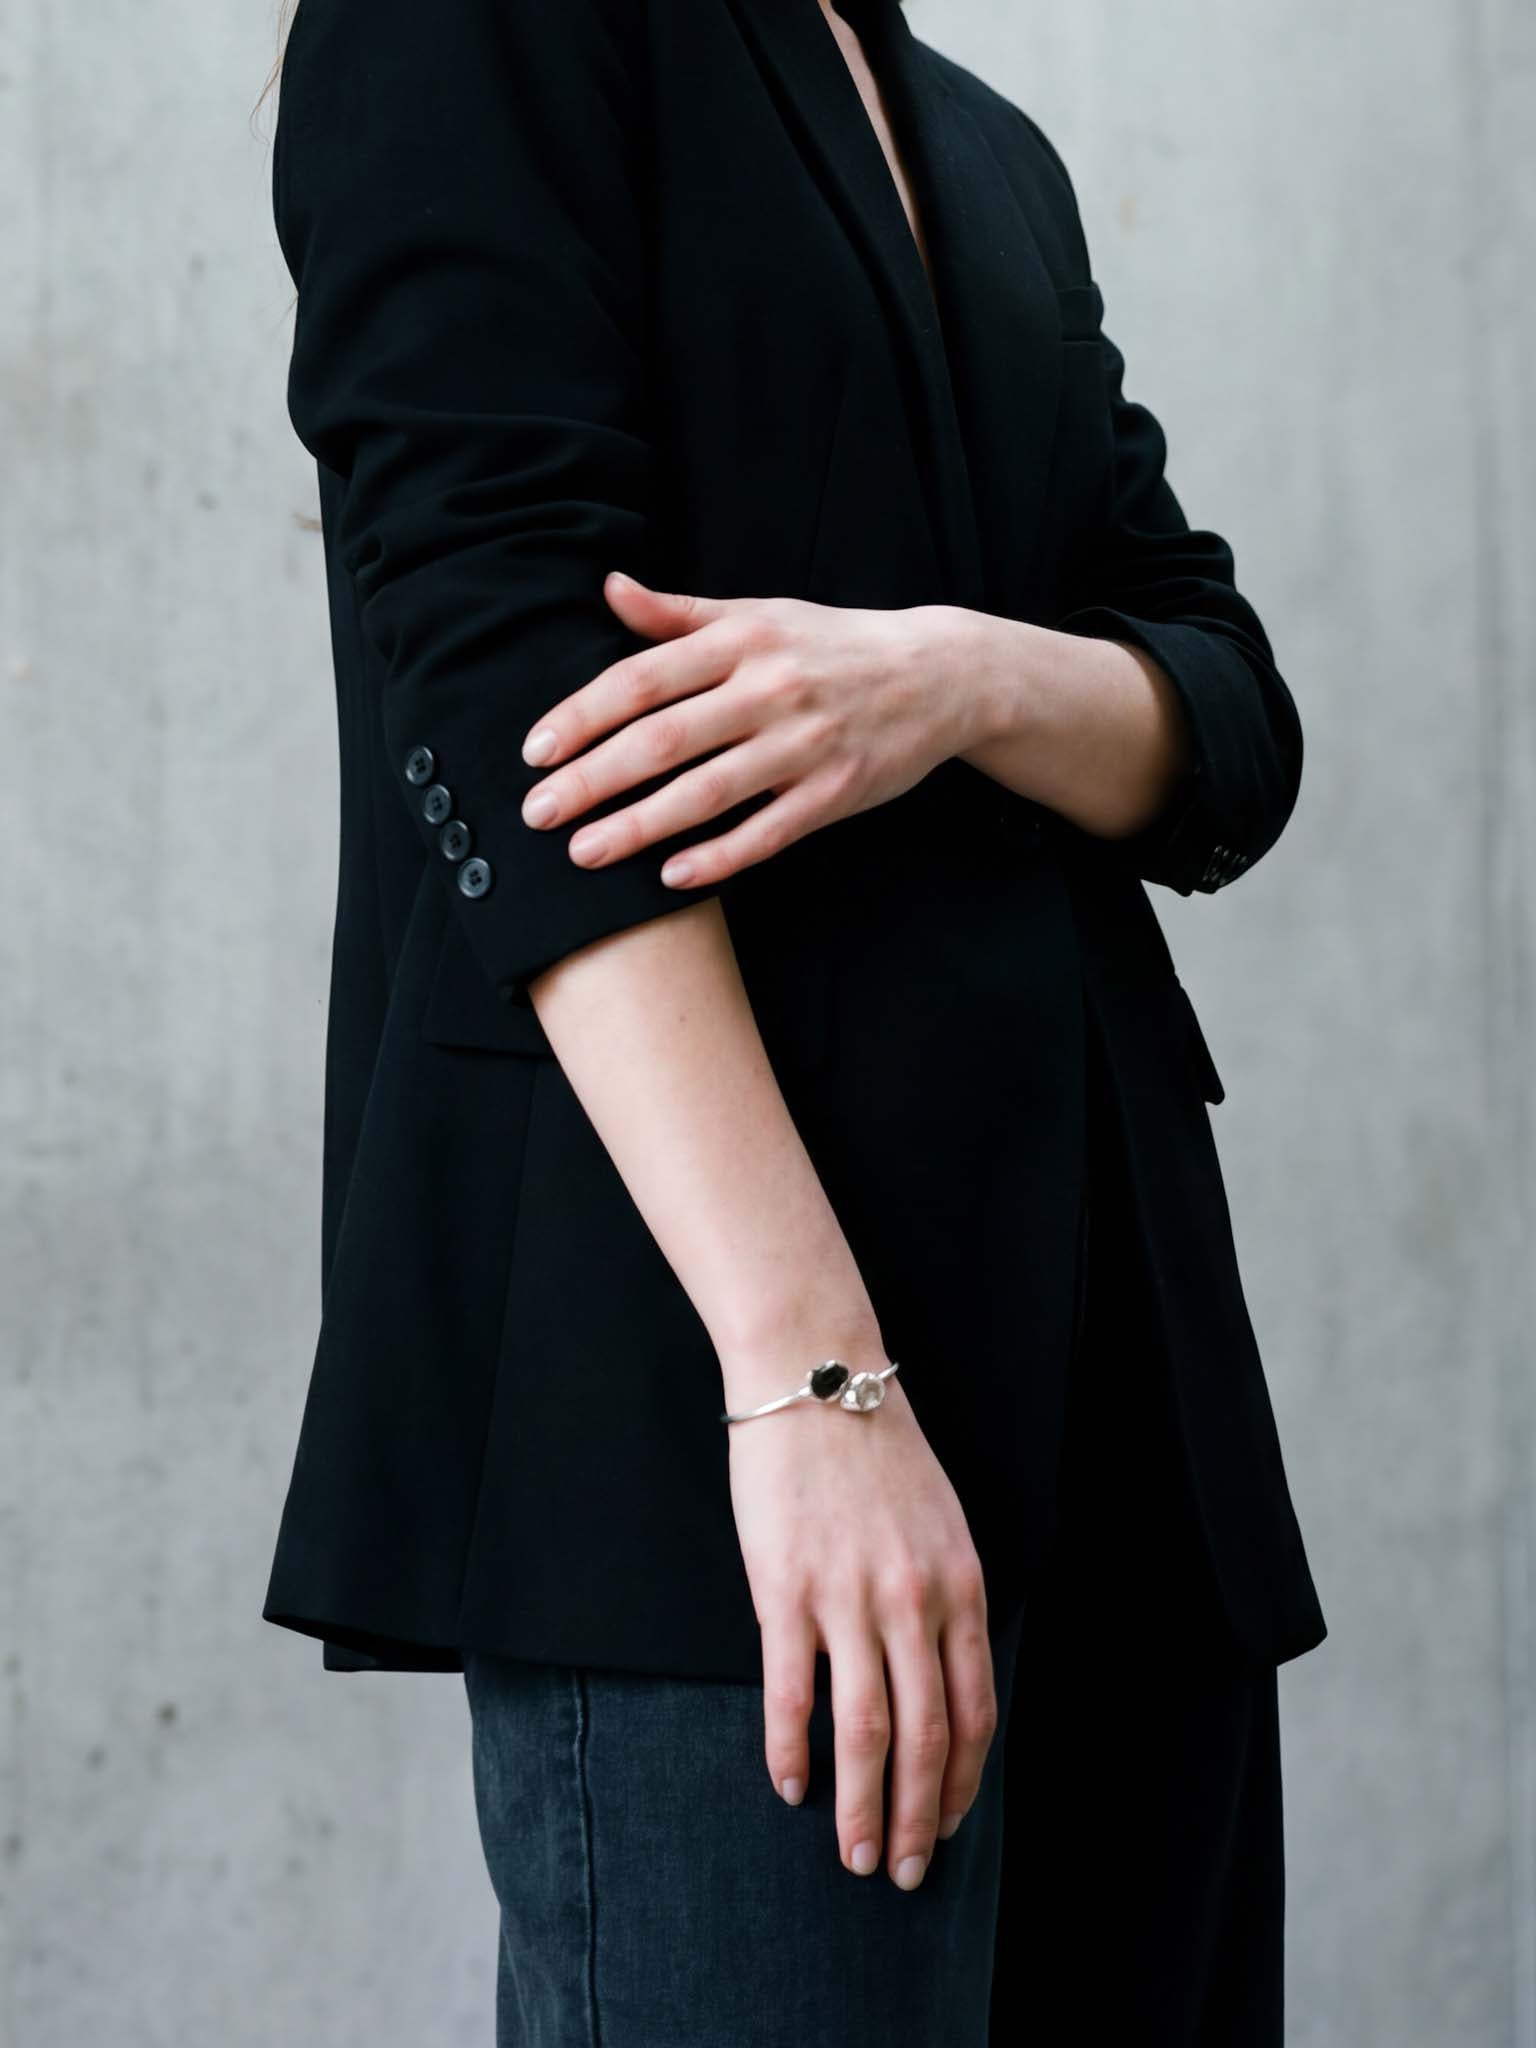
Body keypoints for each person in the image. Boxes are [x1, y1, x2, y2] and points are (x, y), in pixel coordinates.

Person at [258, 0, 1328, 2040]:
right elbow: (513, 708)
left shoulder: (980, 139)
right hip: (713, 1400)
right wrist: (811, 1382)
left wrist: (957, 679)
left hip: (1118, 1396)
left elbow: (1227, 719)